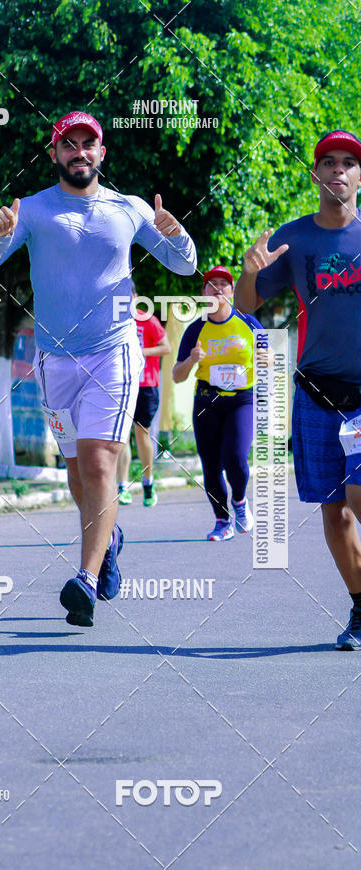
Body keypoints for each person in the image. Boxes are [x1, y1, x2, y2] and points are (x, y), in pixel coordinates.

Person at [0, 110, 196, 626]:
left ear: (101, 152)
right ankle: (109, 539)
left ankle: (86, 580)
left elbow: (184, 264)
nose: (79, 153)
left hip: (113, 352)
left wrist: (177, 234)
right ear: (54, 154)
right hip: (54, 361)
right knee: (76, 471)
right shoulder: (33, 210)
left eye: (87, 143)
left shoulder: (129, 207)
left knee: (97, 463)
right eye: (68, 145)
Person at [234, 128, 361, 650]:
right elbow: (246, 306)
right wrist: (248, 272)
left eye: (348, 162)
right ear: (315, 174)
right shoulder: (293, 239)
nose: (338, 170)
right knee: (335, 508)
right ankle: (360, 609)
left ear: (359, 176)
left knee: (359, 497)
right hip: (316, 393)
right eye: (328, 162)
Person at [172, 265, 259, 540]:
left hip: (241, 400)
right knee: (210, 465)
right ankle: (222, 521)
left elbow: (271, 357)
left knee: (236, 457)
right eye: (212, 284)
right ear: (204, 293)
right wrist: (191, 360)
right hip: (207, 400)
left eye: (224, 284)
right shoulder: (195, 329)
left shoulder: (248, 323)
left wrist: (268, 358)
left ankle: (240, 502)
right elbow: (177, 376)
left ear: (232, 291)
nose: (218, 288)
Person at [117, 281, 171, 507]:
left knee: (142, 434)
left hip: (145, 385)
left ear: (135, 296)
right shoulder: (113, 322)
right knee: (121, 435)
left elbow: (166, 347)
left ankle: (148, 483)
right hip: (120, 384)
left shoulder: (147, 319)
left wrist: (140, 351)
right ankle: (122, 486)